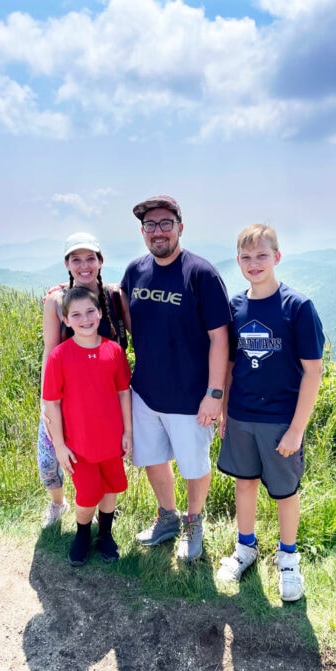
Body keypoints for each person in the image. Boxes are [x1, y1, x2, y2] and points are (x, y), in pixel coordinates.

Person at [216, 224, 324, 601]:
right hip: (242, 415)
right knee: (243, 482)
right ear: (238, 262)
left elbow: (313, 370)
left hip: (281, 419)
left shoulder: (298, 307)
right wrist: (225, 412)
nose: (253, 263)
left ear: (277, 257)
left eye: (261, 255)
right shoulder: (235, 306)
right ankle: (245, 548)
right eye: (246, 257)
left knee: (284, 492)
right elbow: (230, 365)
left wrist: (297, 429)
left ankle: (288, 558)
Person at [120, 195, 231, 562]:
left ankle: (194, 522)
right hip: (147, 392)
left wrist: (215, 394)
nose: (158, 231)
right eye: (150, 225)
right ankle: (167, 517)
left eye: (165, 223)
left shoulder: (201, 274)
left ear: (180, 227)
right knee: (152, 458)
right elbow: (125, 317)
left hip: (191, 397)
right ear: (142, 232)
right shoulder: (135, 272)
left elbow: (219, 337)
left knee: (195, 465)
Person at [39, 232, 127, 528]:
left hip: (107, 396)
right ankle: (57, 502)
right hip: (64, 395)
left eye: (91, 258)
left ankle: (103, 512)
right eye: (76, 259)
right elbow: (49, 351)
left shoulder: (115, 296)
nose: (84, 265)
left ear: (101, 261)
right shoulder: (56, 300)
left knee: (106, 460)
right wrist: (45, 402)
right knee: (51, 458)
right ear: (67, 264)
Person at [42, 286, 132, 566]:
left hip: (111, 440)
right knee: (89, 492)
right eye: (76, 314)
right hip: (78, 444)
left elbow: (123, 392)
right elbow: (52, 403)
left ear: (101, 313)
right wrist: (59, 445)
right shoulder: (60, 356)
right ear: (66, 321)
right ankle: (82, 534)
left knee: (111, 487)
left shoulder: (113, 351)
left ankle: (105, 534)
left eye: (90, 311)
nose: (85, 319)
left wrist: (128, 431)